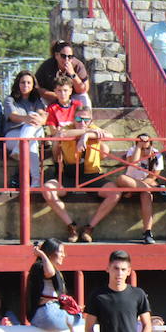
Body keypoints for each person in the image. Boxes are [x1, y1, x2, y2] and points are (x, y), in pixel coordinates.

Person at [40, 76, 110, 242]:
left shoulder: (93, 128)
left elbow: (109, 136)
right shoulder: (69, 128)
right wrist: (85, 134)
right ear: (74, 120)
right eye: (79, 119)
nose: (82, 122)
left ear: (91, 120)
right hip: (69, 174)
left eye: (86, 120)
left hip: (91, 174)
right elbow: (62, 134)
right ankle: (71, 225)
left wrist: (86, 136)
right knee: (46, 189)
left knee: (115, 193)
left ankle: (90, 227)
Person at [25, 239, 79, 330]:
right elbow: (50, 273)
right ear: (50, 253)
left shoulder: (47, 267)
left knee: (80, 319)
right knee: (79, 318)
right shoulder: (39, 266)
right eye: (61, 252)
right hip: (46, 312)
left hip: (49, 312)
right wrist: (42, 254)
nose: (63, 255)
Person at [34, 41, 91, 107]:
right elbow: (37, 87)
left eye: (70, 56)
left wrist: (72, 74)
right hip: (52, 97)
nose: (66, 59)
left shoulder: (78, 65)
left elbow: (83, 89)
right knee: (41, 101)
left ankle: (83, 117)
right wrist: (56, 96)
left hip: (72, 97)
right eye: (63, 56)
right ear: (56, 55)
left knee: (84, 97)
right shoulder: (47, 66)